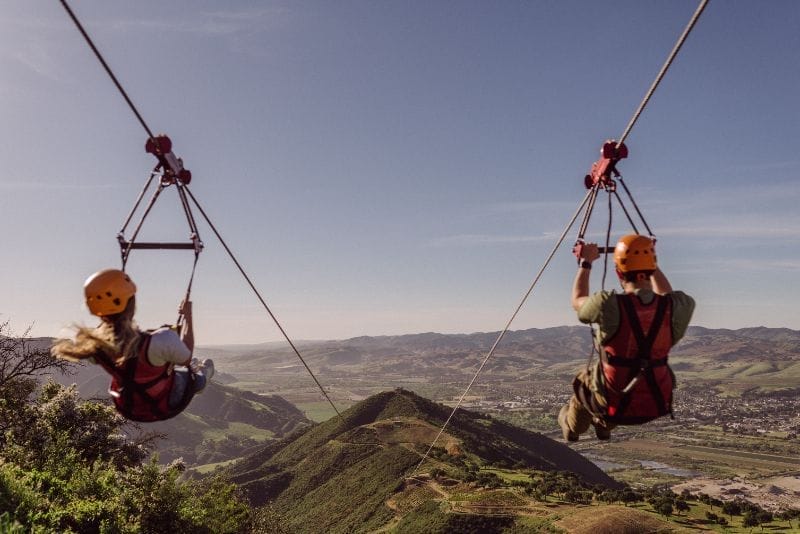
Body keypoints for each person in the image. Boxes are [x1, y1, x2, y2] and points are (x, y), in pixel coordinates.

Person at [558, 234, 695, 441]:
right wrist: (651, 261)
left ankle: (571, 428)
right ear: (651, 268)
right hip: (655, 402)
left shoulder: (609, 305)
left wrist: (585, 262)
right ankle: (604, 426)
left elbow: (578, 301)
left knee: (583, 383)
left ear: (618, 272)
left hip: (611, 401)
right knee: (616, 386)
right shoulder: (678, 307)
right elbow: (668, 295)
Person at [52, 268, 214, 422]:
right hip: (163, 402)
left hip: (128, 405)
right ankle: (204, 370)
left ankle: (192, 367)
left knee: (168, 365)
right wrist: (188, 316)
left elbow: (117, 339)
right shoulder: (161, 340)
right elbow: (186, 356)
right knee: (195, 379)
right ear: (132, 303)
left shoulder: (95, 346)